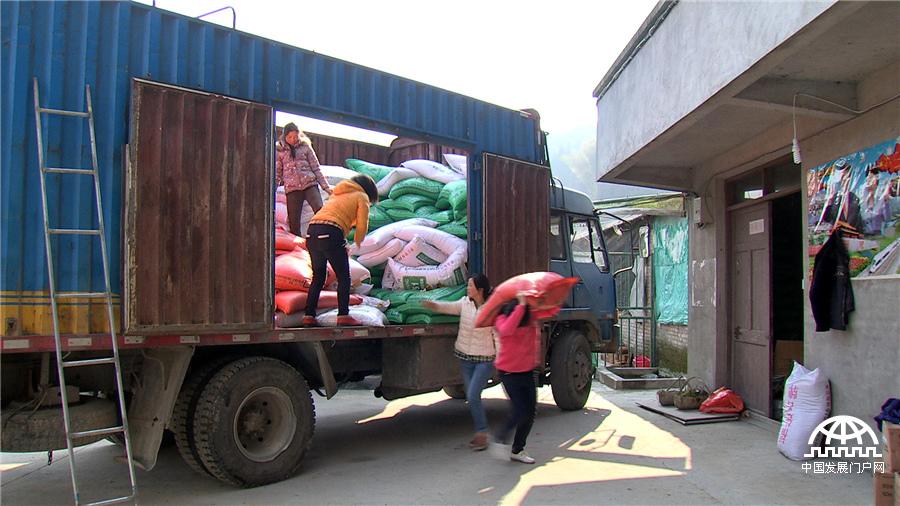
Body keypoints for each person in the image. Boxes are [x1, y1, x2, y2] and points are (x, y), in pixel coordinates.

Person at [421, 274, 496, 451]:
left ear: (480, 290)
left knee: (472, 395)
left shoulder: (491, 310)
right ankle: (481, 433)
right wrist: (433, 306)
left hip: (484, 359)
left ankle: (482, 433)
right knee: (472, 397)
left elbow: (497, 335)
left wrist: (500, 358)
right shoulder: (464, 303)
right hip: (465, 358)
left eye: (470, 286)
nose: (467, 289)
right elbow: (449, 308)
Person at [302, 174, 378, 327]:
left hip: (312, 232)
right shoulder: (361, 196)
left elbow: (339, 215)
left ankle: (308, 316)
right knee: (344, 277)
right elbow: (362, 222)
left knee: (318, 277)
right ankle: (343, 315)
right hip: (331, 232)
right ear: (369, 190)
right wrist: (358, 241)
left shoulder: (338, 194)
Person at [489, 293, 542, 464]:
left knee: (530, 412)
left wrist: (530, 303)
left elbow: (538, 316)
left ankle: (517, 449)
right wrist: (520, 306)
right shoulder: (502, 320)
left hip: (526, 372)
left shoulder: (529, 320)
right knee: (519, 410)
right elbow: (506, 330)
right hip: (509, 374)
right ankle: (500, 436)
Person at [276, 123, 332, 236]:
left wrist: (326, 187)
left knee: (319, 209)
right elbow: (277, 173)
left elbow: (316, 168)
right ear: (284, 137)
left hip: (309, 184)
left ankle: (325, 235)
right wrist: (273, 190)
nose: (293, 139)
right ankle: (298, 247)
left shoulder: (305, 147)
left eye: (295, 136)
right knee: (293, 221)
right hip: (292, 189)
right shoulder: (280, 151)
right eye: (290, 137)